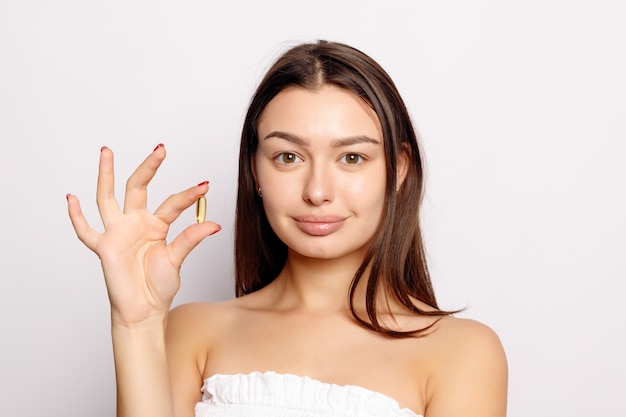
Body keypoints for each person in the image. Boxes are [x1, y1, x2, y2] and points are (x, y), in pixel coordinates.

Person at [67, 40, 507, 417]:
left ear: (400, 170)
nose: (317, 191)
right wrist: (136, 324)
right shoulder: (194, 332)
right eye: (288, 157)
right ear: (255, 172)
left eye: (352, 158)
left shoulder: (462, 352)